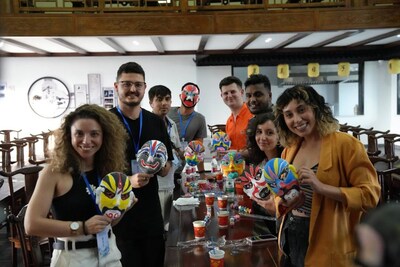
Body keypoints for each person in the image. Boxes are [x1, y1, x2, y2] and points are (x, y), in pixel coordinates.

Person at [274, 85, 380, 267]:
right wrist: (283, 203)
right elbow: (279, 195)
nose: (296, 119)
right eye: (289, 114)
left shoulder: (346, 145)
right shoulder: (289, 150)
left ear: (316, 109)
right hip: (290, 236)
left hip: (329, 240)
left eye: (301, 110)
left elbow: (370, 196)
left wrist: (322, 187)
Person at [25, 104, 131, 267]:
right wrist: (81, 227)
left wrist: (122, 208)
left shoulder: (108, 170)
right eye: (79, 134)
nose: (86, 141)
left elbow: (107, 222)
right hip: (72, 258)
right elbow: (32, 225)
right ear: (69, 136)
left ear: (105, 136)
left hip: (109, 254)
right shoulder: (54, 172)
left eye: (94, 134)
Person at [110, 62, 174, 267]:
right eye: (126, 83)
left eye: (138, 84)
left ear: (144, 88)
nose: (132, 89)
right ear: (116, 86)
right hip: (119, 212)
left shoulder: (155, 121)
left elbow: (168, 160)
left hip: (150, 211)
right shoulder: (106, 122)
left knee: (156, 260)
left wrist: (164, 168)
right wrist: (127, 180)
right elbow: (97, 171)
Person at [148, 84, 183, 232]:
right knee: (156, 226)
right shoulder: (147, 124)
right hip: (154, 183)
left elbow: (177, 148)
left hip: (170, 182)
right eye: (159, 99)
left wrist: (189, 153)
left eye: (168, 99)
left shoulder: (171, 123)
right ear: (151, 103)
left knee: (167, 223)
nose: (164, 103)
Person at [245, 112, 283, 235]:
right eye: (259, 132)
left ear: (280, 137)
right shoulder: (261, 163)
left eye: (269, 133)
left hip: (280, 231)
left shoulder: (284, 165)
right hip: (263, 227)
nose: (262, 137)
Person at [168, 82, 208, 178]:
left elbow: (198, 148)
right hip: (164, 165)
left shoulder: (200, 119)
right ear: (180, 96)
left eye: (194, 95)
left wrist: (202, 173)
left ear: (198, 99)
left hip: (180, 168)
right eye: (186, 93)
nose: (189, 97)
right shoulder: (168, 112)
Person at [219, 76, 253, 151]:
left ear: (241, 92)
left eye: (233, 92)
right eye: (225, 93)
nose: (229, 96)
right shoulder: (229, 121)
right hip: (233, 162)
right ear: (221, 96)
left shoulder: (252, 115)